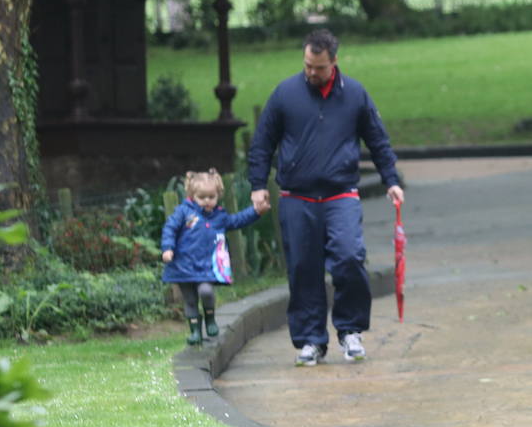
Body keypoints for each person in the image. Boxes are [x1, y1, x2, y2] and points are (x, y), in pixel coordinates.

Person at [247, 29, 405, 367]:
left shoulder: (356, 95)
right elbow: (262, 143)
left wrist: (390, 180)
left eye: (318, 67)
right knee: (304, 269)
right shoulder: (285, 94)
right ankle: (310, 341)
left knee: (349, 258)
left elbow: (378, 140)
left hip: (340, 194)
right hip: (296, 196)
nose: (311, 73)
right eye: (307, 65)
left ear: (334, 62)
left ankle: (350, 330)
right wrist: (258, 185)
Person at [161, 169, 262, 346]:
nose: (207, 201)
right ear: (192, 196)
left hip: (206, 265)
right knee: (190, 300)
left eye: (211, 197)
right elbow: (170, 229)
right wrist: (168, 248)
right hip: (183, 265)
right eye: (202, 197)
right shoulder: (183, 212)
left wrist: (255, 211)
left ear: (218, 196)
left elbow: (236, 220)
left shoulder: (219, 216)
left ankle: (210, 318)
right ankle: (194, 332)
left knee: (206, 291)